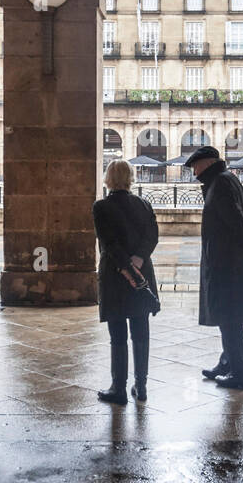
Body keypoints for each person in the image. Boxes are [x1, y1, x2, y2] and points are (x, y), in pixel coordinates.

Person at [185, 145, 243, 389]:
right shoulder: (229, 179)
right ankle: (228, 362)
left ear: (207, 164)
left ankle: (242, 371)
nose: (194, 172)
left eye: (196, 167)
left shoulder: (219, 184)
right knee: (229, 315)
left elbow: (235, 220)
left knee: (229, 316)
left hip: (225, 263)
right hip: (232, 261)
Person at [92, 159, 160, 405]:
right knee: (141, 331)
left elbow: (109, 243)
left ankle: (118, 388)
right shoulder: (144, 204)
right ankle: (141, 386)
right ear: (131, 177)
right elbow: (153, 236)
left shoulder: (101, 207)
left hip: (114, 276)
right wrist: (138, 261)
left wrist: (125, 267)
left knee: (118, 333)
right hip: (142, 276)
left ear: (108, 178)